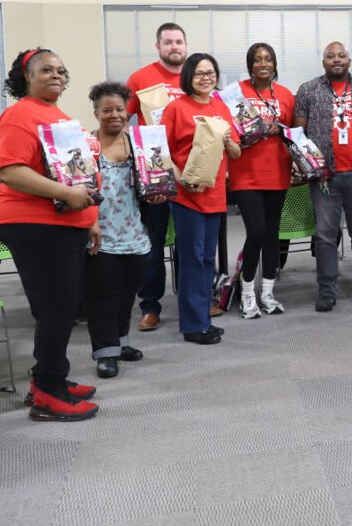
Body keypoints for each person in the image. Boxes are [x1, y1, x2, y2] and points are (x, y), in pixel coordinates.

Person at [0, 48, 101, 421]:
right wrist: (67, 195)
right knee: (57, 308)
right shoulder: (20, 114)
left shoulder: (58, 116)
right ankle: (48, 394)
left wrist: (90, 217)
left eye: (61, 71)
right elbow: (9, 170)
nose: (57, 75)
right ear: (26, 77)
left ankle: (47, 378)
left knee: (62, 307)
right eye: (46, 70)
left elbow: (77, 173)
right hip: (32, 222)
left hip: (61, 222)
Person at [293, 42, 352, 312]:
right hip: (325, 178)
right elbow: (298, 135)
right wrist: (305, 166)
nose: (337, 59)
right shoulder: (308, 90)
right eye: (331, 56)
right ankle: (326, 291)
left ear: (349, 60)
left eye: (341, 55)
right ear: (324, 62)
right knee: (325, 237)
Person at [161, 54, 241, 344]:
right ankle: (193, 325)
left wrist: (229, 141)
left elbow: (236, 152)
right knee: (192, 259)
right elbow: (162, 152)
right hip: (187, 196)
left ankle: (203, 318)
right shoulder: (176, 108)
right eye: (199, 73)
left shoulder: (221, 107)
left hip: (215, 194)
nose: (206, 78)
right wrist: (182, 180)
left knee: (208, 259)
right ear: (188, 77)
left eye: (210, 73)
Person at [85, 82, 160, 378]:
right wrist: (89, 222)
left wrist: (157, 195)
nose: (115, 114)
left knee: (127, 294)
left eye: (120, 109)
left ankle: (120, 343)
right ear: (96, 113)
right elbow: (75, 188)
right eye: (107, 110)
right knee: (102, 295)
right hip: (98, 233)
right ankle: (105, 353)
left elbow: (153, 183)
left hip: (134, 232)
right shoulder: (86, 146)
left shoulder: (139, 144)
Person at [126, 22, 188, 332]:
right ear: (158, 46)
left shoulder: (195, 76)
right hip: (155, 171)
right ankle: (150, 306)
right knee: (153, 242)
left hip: (190, 171)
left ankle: (194, 299)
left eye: (179, 41)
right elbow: (121, 120)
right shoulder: (140, 78)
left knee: (190, 240)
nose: (174, 47)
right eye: (168, 42)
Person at [228, 43, 294, 318]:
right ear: (250, 65)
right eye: (257, 60)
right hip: (246, 174)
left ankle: (267, 292)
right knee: (256, 231)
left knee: (271, 234)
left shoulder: (285, 94)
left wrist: (281, 129)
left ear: (274, 64)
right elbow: (228, 129)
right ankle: (246, 292)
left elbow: (294, 131)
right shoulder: (235, 92)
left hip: (278, 171)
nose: (263, 63)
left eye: (268, 59)